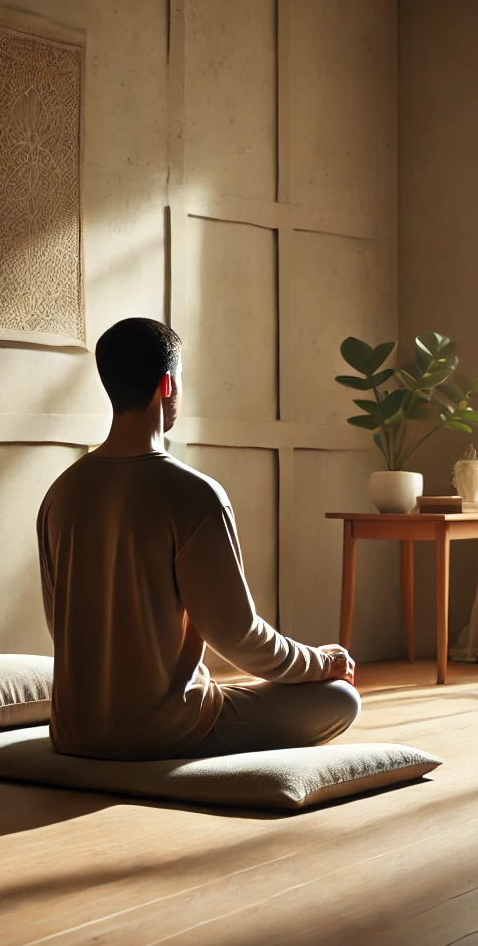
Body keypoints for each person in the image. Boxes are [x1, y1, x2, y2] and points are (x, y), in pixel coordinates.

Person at [36, 317, 358, 761]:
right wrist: (323, 662)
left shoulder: (61, 493)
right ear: (167, 384)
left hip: (74, 733)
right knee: (341, 699)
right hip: (167, 731)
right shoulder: (194, 494)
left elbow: (62, 627)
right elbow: (239, 637)